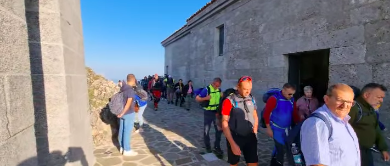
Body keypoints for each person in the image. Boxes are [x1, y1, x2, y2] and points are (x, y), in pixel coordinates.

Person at [301, 83, 360, 166]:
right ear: (326, 99)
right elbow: (317, 163)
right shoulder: (318, 123)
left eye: (350, 102)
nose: (345, 106)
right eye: (340, 100)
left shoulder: (343, 122)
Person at [221, 76, 258, 166]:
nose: (248, 91)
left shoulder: (251, 98)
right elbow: (224, 122)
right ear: (238, 87)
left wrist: (255, 130)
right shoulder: (229, 101)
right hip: (235, 137)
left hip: (250, 136)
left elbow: (255, 115)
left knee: (253, 163)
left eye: (250, 89)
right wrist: (232, 144)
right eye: (245, 89)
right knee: (234, 163)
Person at [348, 83, 389, 165]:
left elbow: (376, 129)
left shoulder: (370, 110)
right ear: (366, 95)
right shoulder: (354, 109)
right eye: (378, 97)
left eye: (382, 98)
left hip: (367, 153)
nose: (381, 101)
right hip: (354, 153)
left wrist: (383, 149)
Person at [263, 83, 300, 166]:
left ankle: (273, 164)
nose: (291, 96)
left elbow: (294, 113)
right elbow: (266, 114)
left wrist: (298, 124)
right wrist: (268, 128)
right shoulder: (274, 99)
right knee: (281, 149)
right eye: (289, 94)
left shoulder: (292, 99)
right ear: (283, 90)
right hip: (276, 129)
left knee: (278, 149)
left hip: (287, 129)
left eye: (293, 94)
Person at [195, 77, 223, 155]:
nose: (217, 87)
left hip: (216, 113)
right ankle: (207, 146)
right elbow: (197, 99)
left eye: (218, 86)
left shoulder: (219, 90)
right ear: (213, 83)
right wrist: (205, 98)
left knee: (219, 130)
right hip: (208, 112)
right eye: (216, 86)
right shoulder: (206, 90)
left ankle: (217, 147)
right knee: (206, 130)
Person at [117, 74, 138, 156]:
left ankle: (121, 147)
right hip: (128, 113)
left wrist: (121, 113)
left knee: (121, 130)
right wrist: (123, 112)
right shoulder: (130, 90)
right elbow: (128, 104)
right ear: (133, 80)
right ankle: (127, 150)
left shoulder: (123, 88)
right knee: (127, 131)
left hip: (122, 113)